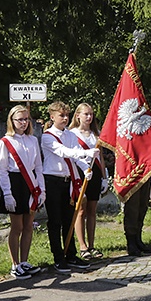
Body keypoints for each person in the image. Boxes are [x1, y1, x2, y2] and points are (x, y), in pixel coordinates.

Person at [42, 101, 98, 272]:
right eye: (61, 115)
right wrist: (85, 153)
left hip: (68, 180)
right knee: (55, 221)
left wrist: (85, 168)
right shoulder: (47, 136)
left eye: (67, 115)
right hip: (52, 180)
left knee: (69, 219)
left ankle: (70, 254)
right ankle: (58, 257)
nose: (65, 118)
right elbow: (63, 152)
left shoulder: (70, 135)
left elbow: (75, 157)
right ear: (52, 117)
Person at [0, 105, 46, 280]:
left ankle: (25, 261)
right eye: (20, 119)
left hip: (31, 183)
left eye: (26, 119)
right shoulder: (5, 142)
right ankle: (15, 264)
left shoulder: (32, 140)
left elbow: (39, 166)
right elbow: (2, 170)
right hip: (15, 183)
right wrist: (7, 194)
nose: (24, 123)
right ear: (12, 121)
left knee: (28, 226)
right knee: (16, 227)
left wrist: (42, 190)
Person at [69, 103, 108, 261]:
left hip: (96, 172)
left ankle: (91, 244)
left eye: (91, 114)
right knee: (81, 210)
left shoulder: (96, 133)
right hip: (80, 173)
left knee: (92, 210)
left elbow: (101, 157)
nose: (89, 117)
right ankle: (82, 246)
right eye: (86, 114)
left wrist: (104, 177)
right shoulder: (72, 134)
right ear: (77, 115)